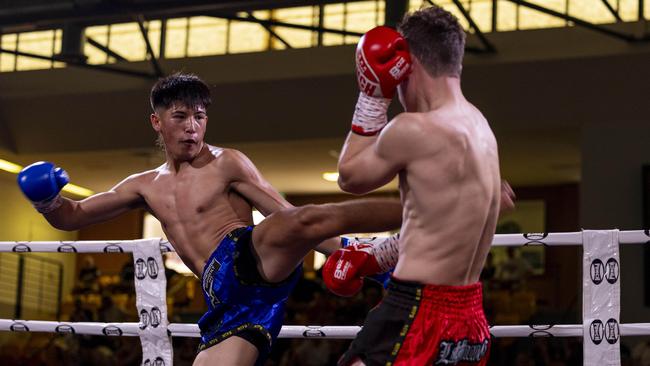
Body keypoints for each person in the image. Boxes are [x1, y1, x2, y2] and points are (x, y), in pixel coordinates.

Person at [16, 73, 403, 366]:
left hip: (249, 258)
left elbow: (285, 215)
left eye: (199, 116)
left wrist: (348, 256)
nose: (192, 126)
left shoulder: (226, 163)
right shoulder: (144, 186)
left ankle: (406, 225)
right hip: (224, 301)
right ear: (157, 122)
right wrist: (46, 198)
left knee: (303, 220)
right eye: (180, 116)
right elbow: (72, 216)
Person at [322, 6, 515, 365]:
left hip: (417, 311)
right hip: (470, 320)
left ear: (405, 64)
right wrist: (375, 257)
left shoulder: (414, 129)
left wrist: (372, 95)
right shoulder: (480, 129)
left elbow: (349, 176)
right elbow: (440, 224)